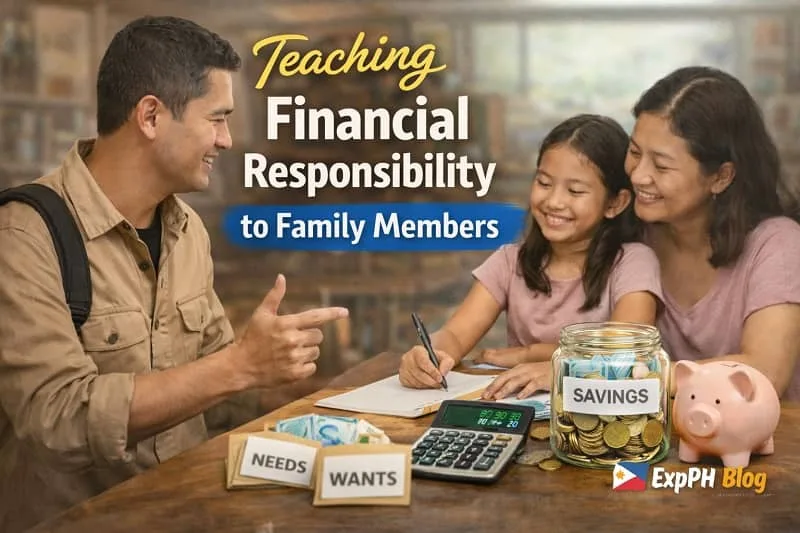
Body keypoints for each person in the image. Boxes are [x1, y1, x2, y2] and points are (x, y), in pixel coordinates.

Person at [0, 16, 347, 533]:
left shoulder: (189, 232)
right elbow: (59, 417)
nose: (227, 140)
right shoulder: (25, 235)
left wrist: (316, 396)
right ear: (150, 116)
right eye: (217, 118)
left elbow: (216, 393)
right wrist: (241, 367)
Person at [398, 114, 664, 399]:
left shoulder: (633, 262)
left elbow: (624, 352)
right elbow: (454, 335)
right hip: (520, 416)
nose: (554, 201)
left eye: (575, 191)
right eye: (544, 183)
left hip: (599, 423)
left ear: (615, 203)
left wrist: (550, 364)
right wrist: (430, 356)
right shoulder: (509, 261)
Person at [624, 66, 800, 400]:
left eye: (661, 166)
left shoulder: (778, 244)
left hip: (768, 445)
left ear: (721, 177)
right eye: (634, 153)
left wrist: (614, 376)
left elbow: (764, 372)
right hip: (665, 441)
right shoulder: (633, 233)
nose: (638, 176)